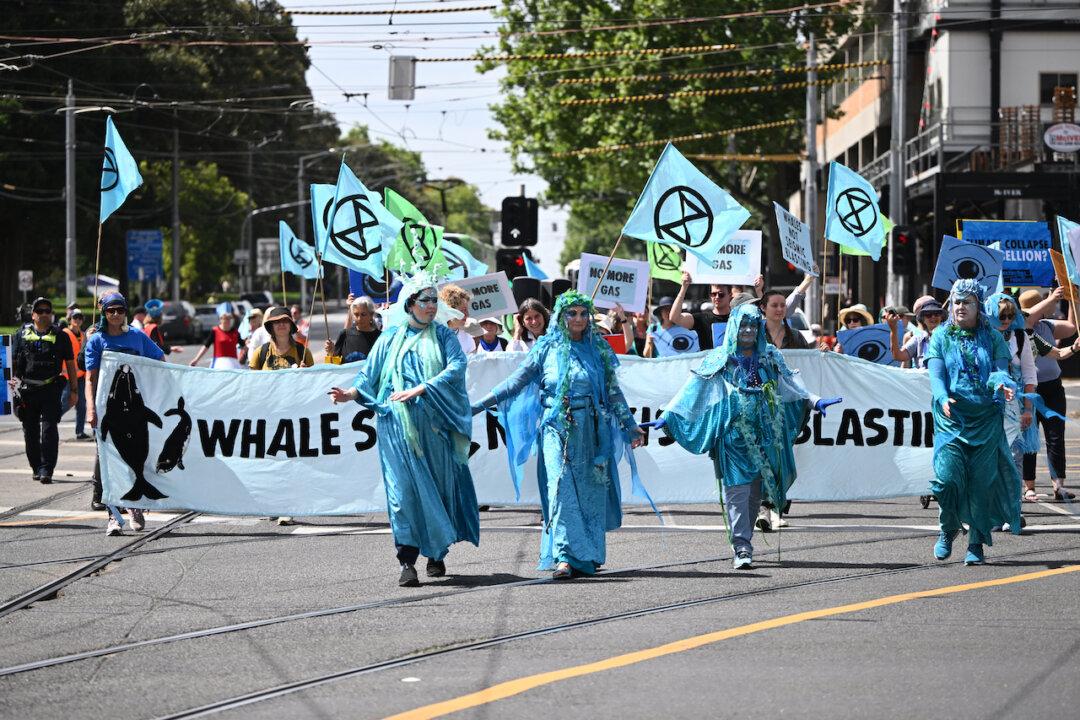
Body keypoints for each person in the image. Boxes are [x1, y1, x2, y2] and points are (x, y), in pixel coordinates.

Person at [471, 290, 647, 579]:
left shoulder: (598, 349)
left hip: (591, 431)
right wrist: (477, 405)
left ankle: (587, 556)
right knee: (560, 486)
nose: (577, 319)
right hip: (556, 428)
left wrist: (629, 425)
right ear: (561, 317)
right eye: (571, 313)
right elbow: (515, 382)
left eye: (582, 313)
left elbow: (613, 393)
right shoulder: (546, 348)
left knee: (590, 494)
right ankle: (564, 555)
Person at [650, 304, 840, 569]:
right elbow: (694, 389)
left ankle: (744, 539)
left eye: (753, 325)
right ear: (734, 328)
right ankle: (741, 548)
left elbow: (792, 387)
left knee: (754, 494)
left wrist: (815, 402)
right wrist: (668, 415)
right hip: (733, 436)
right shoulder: (721, 358)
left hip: (766, 436)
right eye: (743, 325)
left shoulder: (770, 356)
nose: (749, 330)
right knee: (737, 491)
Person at [329, 273, 479, 586]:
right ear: (410, 304)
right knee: (402, 496)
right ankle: (407, 561)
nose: (431, 306)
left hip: (434, 429)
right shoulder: (390, 338)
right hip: (396, 429)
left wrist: (423, 388)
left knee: (437, 491)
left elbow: (456, 367)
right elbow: (366, 378)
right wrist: (349, 395)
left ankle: (436, 554)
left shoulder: (443, 337)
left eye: (434, 301)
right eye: (424, 301)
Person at [926, 279, 1021, 565]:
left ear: (979, 306)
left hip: (986, 419)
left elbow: (1000, 370)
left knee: (981, 484)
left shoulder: (992, 337)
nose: (960, 307)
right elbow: (935, 375)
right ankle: (948, 528)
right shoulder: (941, 336)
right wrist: (942, 397)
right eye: (956, 301)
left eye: (966, 302)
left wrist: (1002, 384)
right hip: (951, 418)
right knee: (946, 480)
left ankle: (976, 542)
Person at [84, 293, 166, 533]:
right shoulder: (97, 340)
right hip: (107, 407)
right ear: (104, 313)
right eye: (111, 311)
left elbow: (159, 358)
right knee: (106, 461)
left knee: (135, 457)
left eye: (120, 310)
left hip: (136, 409)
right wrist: (90, 407)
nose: (116, 315)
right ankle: (113, 514)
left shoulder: (137, 336)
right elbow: (90, 378)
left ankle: (135, 505)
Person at [250, 306, 315, 526]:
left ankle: (288, 507)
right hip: (268, 415)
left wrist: (306, 374)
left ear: (291, 325)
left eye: (285, 321)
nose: (281, 325)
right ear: (270, 326)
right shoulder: (261, 352)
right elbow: (251, 384)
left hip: (294, 416)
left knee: (291, 461)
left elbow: (314, 385)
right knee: (270, 461)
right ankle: (273, 503)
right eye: (276, 322)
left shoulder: (303, 352)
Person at [1018, 288, 1078, 501]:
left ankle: (1058, 486)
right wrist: (1053, 297)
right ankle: (1029, 486)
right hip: (1029, 391)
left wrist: (1072, 299)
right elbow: (1028, 316)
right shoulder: (1021, 328)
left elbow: (1070, 329)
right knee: (1029, 437)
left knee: (1055, 436)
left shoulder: (1046, 327)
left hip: (1052, 388)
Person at [11, 297, 78, 484]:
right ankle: (36, 467)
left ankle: (47, 469)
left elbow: (71, 365)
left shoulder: (61, 335)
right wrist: (11, 388)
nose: (44, 314)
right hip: (27, 391)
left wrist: (74, 391)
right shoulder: (21, 335)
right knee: (30, 431)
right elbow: (13, 364)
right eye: (39, 311)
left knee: (49, 430)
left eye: (47, 311)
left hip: (50, 389)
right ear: (32, 314)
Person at [668, 271, 730, 350]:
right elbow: (674, 318)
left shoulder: (737, 318)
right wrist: (684, 288)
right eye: (713, 294)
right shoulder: (702, 318)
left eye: (721, 294)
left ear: (730, 295)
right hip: (709, 361)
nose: (717, 297)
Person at [59, 308, 90, 440]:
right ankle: (50, 419)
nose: (77, 320)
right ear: (70, 319)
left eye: (79, 318)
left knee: (82, 405)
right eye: (74, 317)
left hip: (81, 376)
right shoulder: (64, 334)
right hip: (67, 377)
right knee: (66, 402)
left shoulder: (84, 335)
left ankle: (80, 432)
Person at [887, 295, 943, 369]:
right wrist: (893, 330)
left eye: (936, 313)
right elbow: (898, 356)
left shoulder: (950, 336)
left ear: (941, 317)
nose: (933, 317)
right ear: (923, 319)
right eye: (928, 315)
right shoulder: (917, 339)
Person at [325, 295, 382, 363]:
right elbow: (335, 365)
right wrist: (331, 353)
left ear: (371, 315)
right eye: (356, 314)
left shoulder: (381, 337)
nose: (359, 318)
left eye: (363, 314)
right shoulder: (344, 334)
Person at [439, 284, 481, 354]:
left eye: (467, 310)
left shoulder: (467, 338)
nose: (467, 314)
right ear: (449, 310)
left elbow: (473, 364)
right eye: (463, 310)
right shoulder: (432, 336)